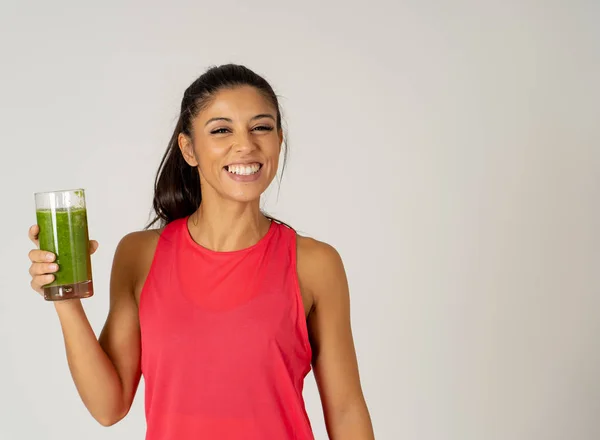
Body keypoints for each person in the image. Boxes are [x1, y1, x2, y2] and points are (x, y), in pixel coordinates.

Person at [27, 64, 374, 439]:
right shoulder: (140, 255)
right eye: (222, 130)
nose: (246, 144)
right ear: (189, 149)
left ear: (279, 140)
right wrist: (64, 296)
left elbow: (346, 409)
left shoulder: (315, 264)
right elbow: (108, 406)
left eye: (261, 127)